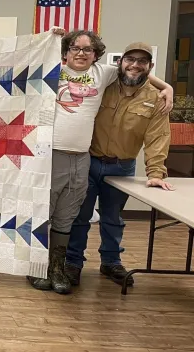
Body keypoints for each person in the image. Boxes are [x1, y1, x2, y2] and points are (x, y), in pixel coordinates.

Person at [27, 30, 173, 294]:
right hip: (56, 155)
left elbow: (136, 75)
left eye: (88, 49)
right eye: (75, 48)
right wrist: (45, 37)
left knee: (75, 216)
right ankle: (43, 267)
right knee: (46, 213)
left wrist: (166, 87)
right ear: (65, 52)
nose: (81, 53)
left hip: (87, 158)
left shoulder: (102, 74)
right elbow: (24, 64)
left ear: (97, 54)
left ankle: (65, 268)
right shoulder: (51, 70)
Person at [65, 42, 174, 287]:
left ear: (150, 66)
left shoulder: (156, 99)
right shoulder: (102, 86)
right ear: (120, 63)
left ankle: (111, 262)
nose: (135, 65)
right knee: (80, 216)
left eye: (142, 61)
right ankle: (73, 263)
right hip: (89, 162)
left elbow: (157, 138)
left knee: (112, 218)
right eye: (130, 59)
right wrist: (168, 84)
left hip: (122, 167)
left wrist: (156, 172)